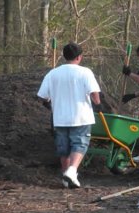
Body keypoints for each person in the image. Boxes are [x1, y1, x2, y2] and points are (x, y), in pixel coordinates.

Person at [37, 42, 101, 188]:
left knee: (63, 148)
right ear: (79, 57)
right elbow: (95, 97)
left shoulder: (53, 73)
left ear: (64, 56)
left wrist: (49, 103)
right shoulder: (85, 72)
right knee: (79, 144)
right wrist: (97, 103)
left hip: (59, 117)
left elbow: (42, 96)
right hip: (81, 116)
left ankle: (66, 179)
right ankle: (72, 172)